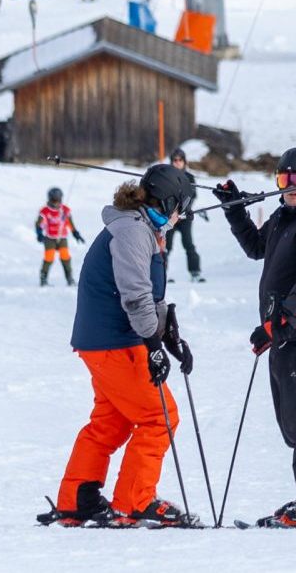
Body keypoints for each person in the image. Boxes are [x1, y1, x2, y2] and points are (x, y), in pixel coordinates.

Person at [37, 165, 196, 528]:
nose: (181, 213)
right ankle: (135, 501)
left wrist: (168, 333)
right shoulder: (133, 233)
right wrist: (153, 344)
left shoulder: (141, 229)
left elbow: (146, 295)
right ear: (167, 199)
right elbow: (135, 296)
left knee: (112, 421)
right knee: (160, 416)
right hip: (113, 341)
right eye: (180, 204)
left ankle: (79, 498)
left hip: (107, 339)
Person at [212, 147, 296, 527]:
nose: (291, 187)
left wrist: (279, 324)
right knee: (292, 423)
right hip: (287, 335)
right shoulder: (285, 216)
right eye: (284, 180)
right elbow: (257, 248)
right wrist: (235, 210)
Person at [165, 148, 204, 282]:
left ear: (184, 162)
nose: (177, 162)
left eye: (180, 160)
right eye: (174, 160)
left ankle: (195, 272)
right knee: (165, 246)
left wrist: (182, 209)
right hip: (170, 218)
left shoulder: (190, 177)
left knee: (188, 244)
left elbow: (192, 196)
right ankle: (161, 273)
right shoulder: (166, 176)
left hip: (184, 217)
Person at [36, 187, 84, 287]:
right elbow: (38, 224)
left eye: (58, 200)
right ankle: (43, 278)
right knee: (49, 257)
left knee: (65, 256)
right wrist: (39, 233)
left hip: (62, 238)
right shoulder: (45, 211)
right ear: (49, 199)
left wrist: (76, 233)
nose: (56, 203)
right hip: (50, 238)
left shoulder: (65, 211)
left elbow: (70, 224)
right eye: (54, 200)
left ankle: (69, 278)